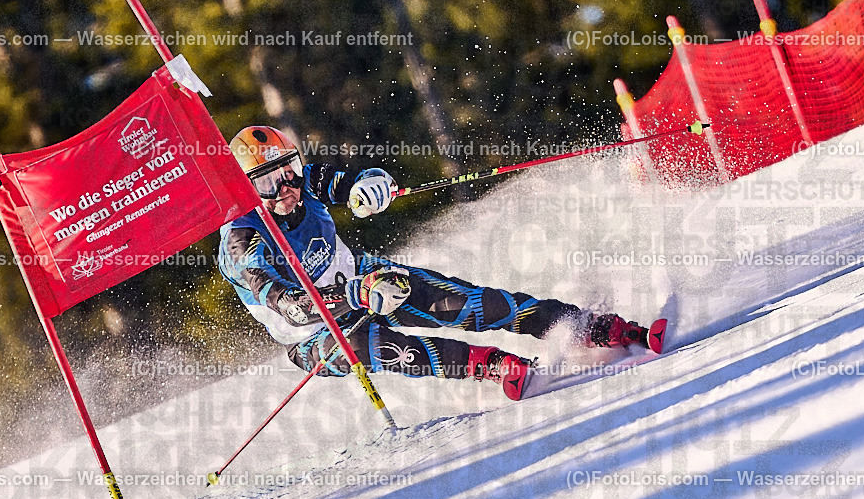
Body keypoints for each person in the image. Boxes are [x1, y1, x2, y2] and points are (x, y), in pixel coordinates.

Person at [218, 126, 653, 401]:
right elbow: (292, 306)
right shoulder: (243, 241)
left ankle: (584, 325)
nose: (288, 186)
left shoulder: (304, 184)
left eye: (289, 169)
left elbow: (344, 181)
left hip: (363, 278)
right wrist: (353, 294)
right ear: (246, 189)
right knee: (378, 347)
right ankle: (493, 364)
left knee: (463, 304)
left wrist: (370, 185)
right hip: (314, 335)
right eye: (271, 181)